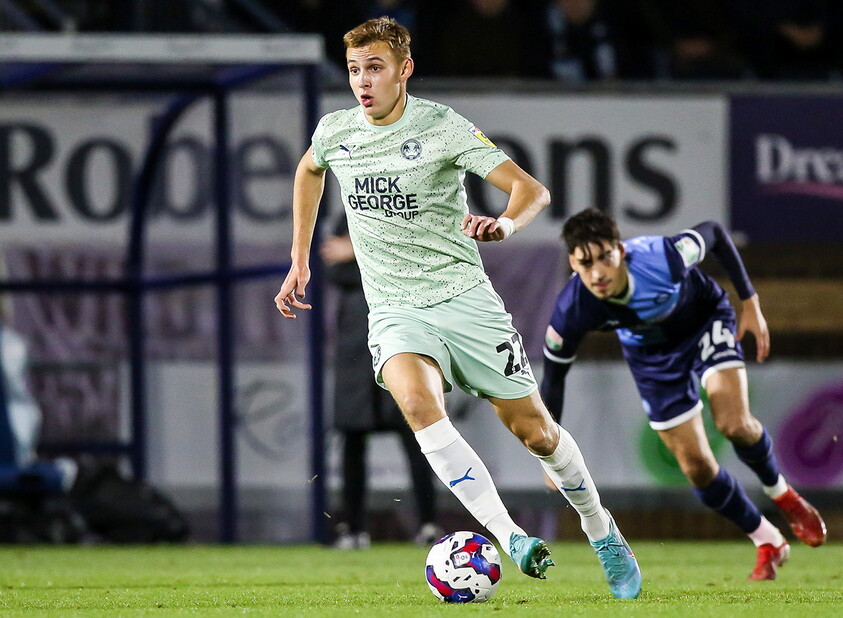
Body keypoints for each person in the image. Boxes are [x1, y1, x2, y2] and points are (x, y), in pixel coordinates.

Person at [274, 17, 641, 599]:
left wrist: (504, 223)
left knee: (537, 433)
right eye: (353, 71)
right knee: (418, 406)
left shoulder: (441, 127)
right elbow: (309, 170)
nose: (362, 83)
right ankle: (507, 535)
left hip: (464, 302)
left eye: (375, 69)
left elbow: (532, 191)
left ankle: (602, 530)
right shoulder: (335, 131)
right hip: (395, 308)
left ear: (404, 70)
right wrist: (299, 259)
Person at [539, 209, 827, 581]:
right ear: (572, 263)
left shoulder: (662, 257)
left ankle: (783, 495)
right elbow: (554, 380)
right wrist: (550, 458)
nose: (597, 274)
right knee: (697, 468)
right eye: (585, 263)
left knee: (734, 424)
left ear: (621, 251)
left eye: (605, 258)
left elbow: (716, 233)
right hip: (653, 358)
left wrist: (750, 303)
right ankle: (768, 540)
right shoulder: (572, 310)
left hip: (704, 321)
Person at [321, 216, 440, 549]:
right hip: (354, 355)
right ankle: (354, 530)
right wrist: (368, 255)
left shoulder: (395, 213)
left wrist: (357, 250)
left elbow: (406, 263)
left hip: (397, 346)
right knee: (352, 442)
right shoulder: (345, 217)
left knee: (418, 437)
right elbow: (333, 267)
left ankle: (428, 524)